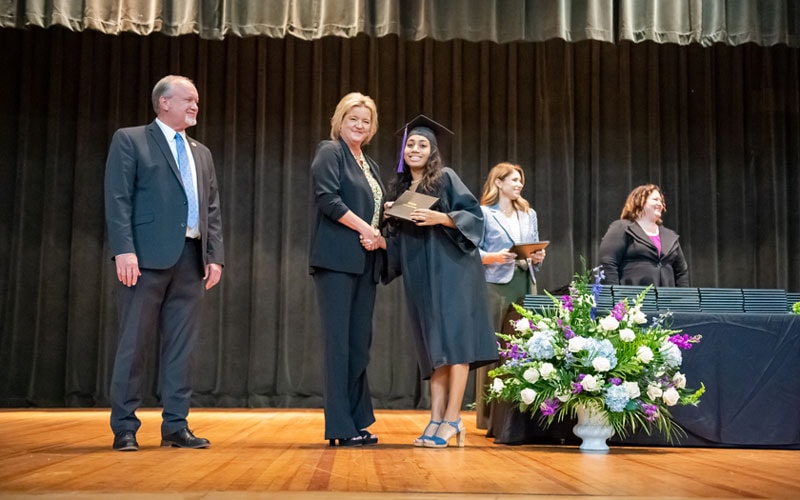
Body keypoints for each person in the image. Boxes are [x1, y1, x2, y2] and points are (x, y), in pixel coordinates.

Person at [104, 75, 224, 452]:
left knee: (182, 349)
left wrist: (215, 255)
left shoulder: (200, 152)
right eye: (188, 99)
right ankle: (124, 427)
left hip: (191, 260)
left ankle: (176, 425)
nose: (194, 107)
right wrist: (124, 249)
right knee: (134, 344)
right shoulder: (131, 139)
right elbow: (118, 197)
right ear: (164, 103)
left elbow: (212, 208)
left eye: (197, 102)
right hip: (144, 259)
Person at [374, 115, 497, 448]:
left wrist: (439, 217)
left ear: (432, 152)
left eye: (422, 144)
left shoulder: (445, 178)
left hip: (453, 270)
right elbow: (399, 248)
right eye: (410, 144)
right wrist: (383, 233)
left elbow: (474, 218)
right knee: (433, 349)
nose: (415, 149)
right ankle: (435, 418)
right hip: (421, 277)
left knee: (455, 345)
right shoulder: (401, 190)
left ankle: (453, 419)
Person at [309, 92, 385, 447]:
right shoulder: (330, 151)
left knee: (359, 346)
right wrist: (365, 229)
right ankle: (340, 427)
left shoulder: (370, 165)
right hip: (336, 262)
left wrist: (382, 229)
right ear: (339, 120)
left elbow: (375, 208)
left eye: (365, 121)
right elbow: (328, 199)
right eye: (353, 118)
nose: (359, 125)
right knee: (339, 345)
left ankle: (356, 419)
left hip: (365, 263)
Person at [475, 162, 545, 429]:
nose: (518, 185)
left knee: (524, 347)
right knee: (493, 348)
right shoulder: (483, 213)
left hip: (525, 281)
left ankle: (518, 415)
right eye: (514, 180)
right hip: (495, 285)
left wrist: (538, 256)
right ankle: (489, 416)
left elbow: (534, 249)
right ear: (499, 182)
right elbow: (472, 251)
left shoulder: (529, 214)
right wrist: (494, 257)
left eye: (520, 182)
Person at [599, 184, 689, 287]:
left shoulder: (670, 236)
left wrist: (683, 300)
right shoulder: (622, 228)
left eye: (661, 201)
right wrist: (616, 298)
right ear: (639, 201)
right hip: (632, 299)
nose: (660, 204)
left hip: (666, 299)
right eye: (655, 199)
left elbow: (681, 272)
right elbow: (608, 263)